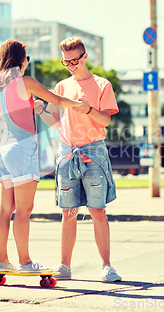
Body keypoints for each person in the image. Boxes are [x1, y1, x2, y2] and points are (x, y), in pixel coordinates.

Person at [0, 39, 82, 273]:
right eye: (27, 58)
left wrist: (33, 107)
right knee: (23, 211)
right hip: (22, 150)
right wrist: (78, 104)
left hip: (3, 149)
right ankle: (25, 262)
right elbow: (58, 100)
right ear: (21, 59)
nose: (27, 62)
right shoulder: (25, 81)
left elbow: (15, 110)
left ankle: (3, 261)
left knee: (5, 209)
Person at [36, 37, 122, 282]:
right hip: (67, 153)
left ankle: (107, 266)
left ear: (84, 57)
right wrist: (42, 112)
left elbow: (105, 120)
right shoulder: (62, 86)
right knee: (68, 212)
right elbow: (56, 123)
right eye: (65, 62)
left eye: (74, 60)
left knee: (98, 211)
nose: (70, 66)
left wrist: (88, 110)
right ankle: (64, 266)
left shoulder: (102, 84)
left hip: (93, 152)